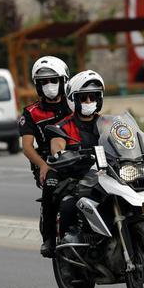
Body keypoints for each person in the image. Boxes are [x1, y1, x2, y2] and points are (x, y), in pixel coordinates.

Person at [19, 56, 72, 258]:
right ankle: (49, 237)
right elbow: (26, 146)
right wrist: (43, 165)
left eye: (53, 80)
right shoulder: (31, 113)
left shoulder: (74, 103)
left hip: (80, 157)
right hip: (50, 163)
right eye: (43, 82)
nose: (49, 86)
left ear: (63, 80)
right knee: (51, 188)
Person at [50, 70, 105, 239]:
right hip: (79, 179)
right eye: (83, 97)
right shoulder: (63, 127)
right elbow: (57, 148)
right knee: (68, 206)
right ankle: (66, 245)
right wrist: (63, 154)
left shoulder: (108, 123)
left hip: (107, 176)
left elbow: (126, 140)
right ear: (74, 100)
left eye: (93, 96)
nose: (89, 101)